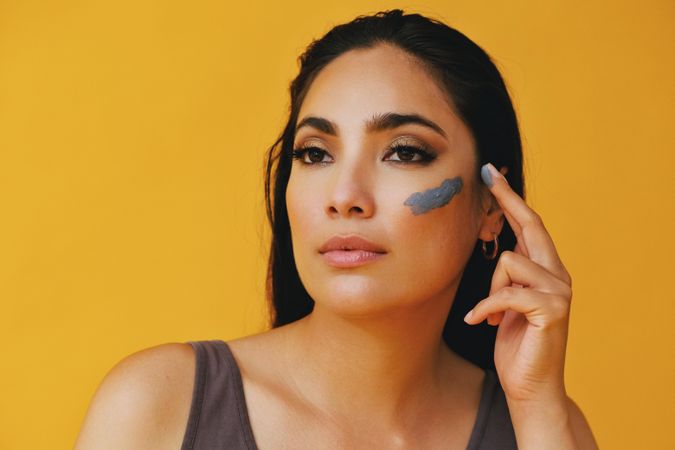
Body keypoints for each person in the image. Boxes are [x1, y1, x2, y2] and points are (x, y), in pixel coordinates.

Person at [74, 9, 598, 449]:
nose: (345, 197)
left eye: (404, 152)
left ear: (491, 207)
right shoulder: (157, 405)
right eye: (315, 153)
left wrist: (536, 409)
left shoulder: (545, 424)